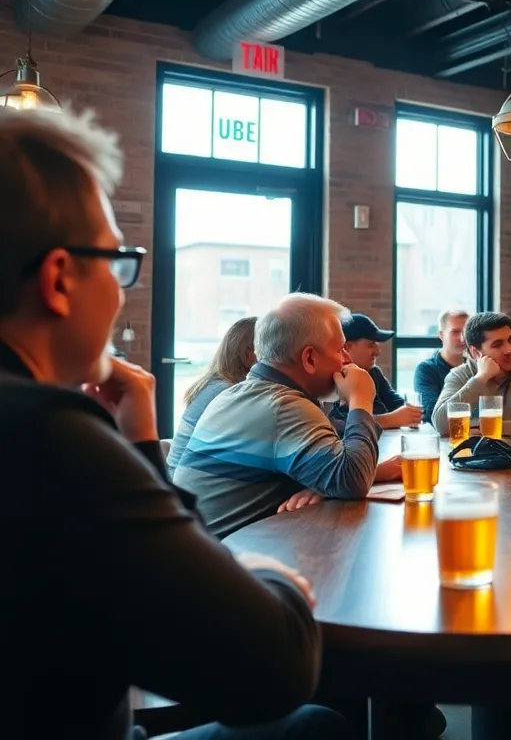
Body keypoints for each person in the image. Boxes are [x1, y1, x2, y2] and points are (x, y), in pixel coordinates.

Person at [0, 106, 350, 739]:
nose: (122, 292)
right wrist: (268, 574)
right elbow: (273, 667)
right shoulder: (49, 437)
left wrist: (138, 439)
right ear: (58, 280)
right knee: (319, 724)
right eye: (118, 263)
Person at [174, 293, 394, 538]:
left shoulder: (240, 394)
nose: (347, 359)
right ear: (309, 358)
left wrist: (321, 485)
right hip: (215, 566)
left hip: (210, 550)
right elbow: (352, 480)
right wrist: (361, 399)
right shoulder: (282, 405)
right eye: (341, 349)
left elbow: (340, 475)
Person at [166, 315, 256, 475]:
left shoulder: (215, 383)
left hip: (177, 474)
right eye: (267, 350)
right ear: (248, 355)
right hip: (183, 482)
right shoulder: (227, 391)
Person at [328, 312, 422, 429]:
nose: (378, 351)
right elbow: (341, 425)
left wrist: (412, 412)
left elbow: (396, 403)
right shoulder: (335, 379)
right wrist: (393, 419)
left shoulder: (373, 372)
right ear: (347, 347)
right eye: (371, 345)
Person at [414, 309, 468, 423]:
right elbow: (431, 413)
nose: (462, 338)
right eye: (455, 332)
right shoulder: (426, 369)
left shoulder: (479, 367)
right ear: (441, 335)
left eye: (466, 332)